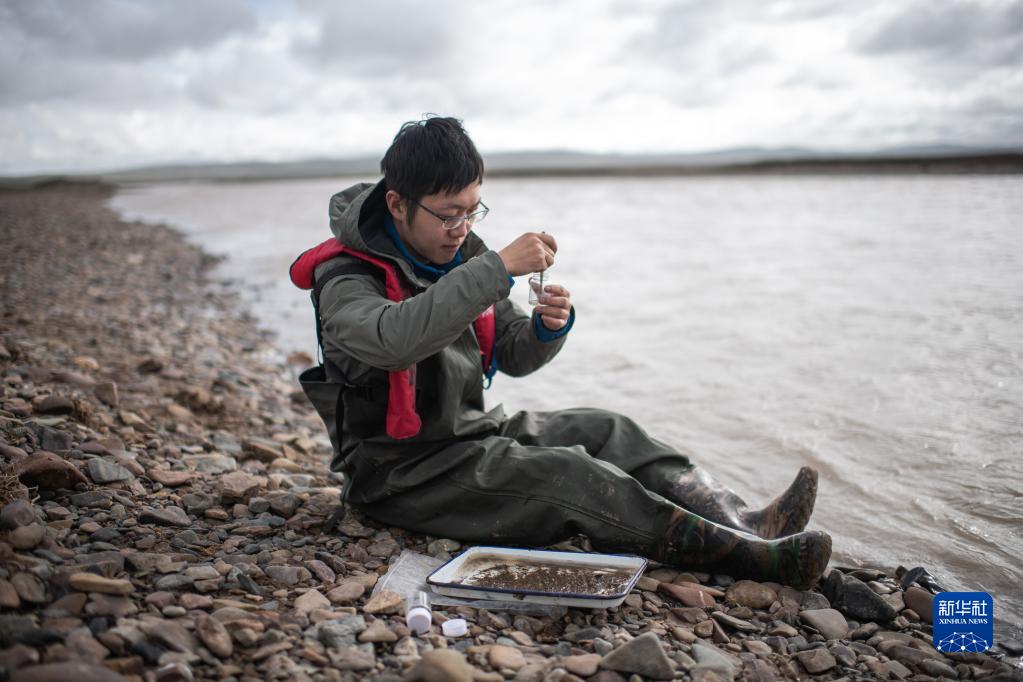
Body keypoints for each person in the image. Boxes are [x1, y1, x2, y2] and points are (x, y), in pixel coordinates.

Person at [290, 115, 831, 589]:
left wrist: (547, 328)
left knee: (609, 430)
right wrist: (496, 268)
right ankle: (750, 559)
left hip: (469, 436)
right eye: (449, 215)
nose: (462, 229)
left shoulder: (460, 256)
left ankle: (743, 521)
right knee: (570, 475)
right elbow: (392, 340)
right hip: (400, 473)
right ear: (397, 204)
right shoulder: (347, 277)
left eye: (474, 211)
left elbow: (513, 353)